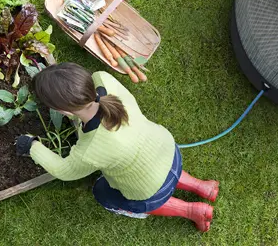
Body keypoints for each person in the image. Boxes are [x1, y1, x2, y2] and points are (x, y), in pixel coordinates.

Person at [16, 62, 218, 232]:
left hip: (149, 188)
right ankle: (202, 186)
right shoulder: (104, 79)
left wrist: (31, 145)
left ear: (61, 111)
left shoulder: (91, 149)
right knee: (159, 168)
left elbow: (64, 170)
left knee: (102, 193)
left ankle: (191, 210)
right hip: (168, 150)